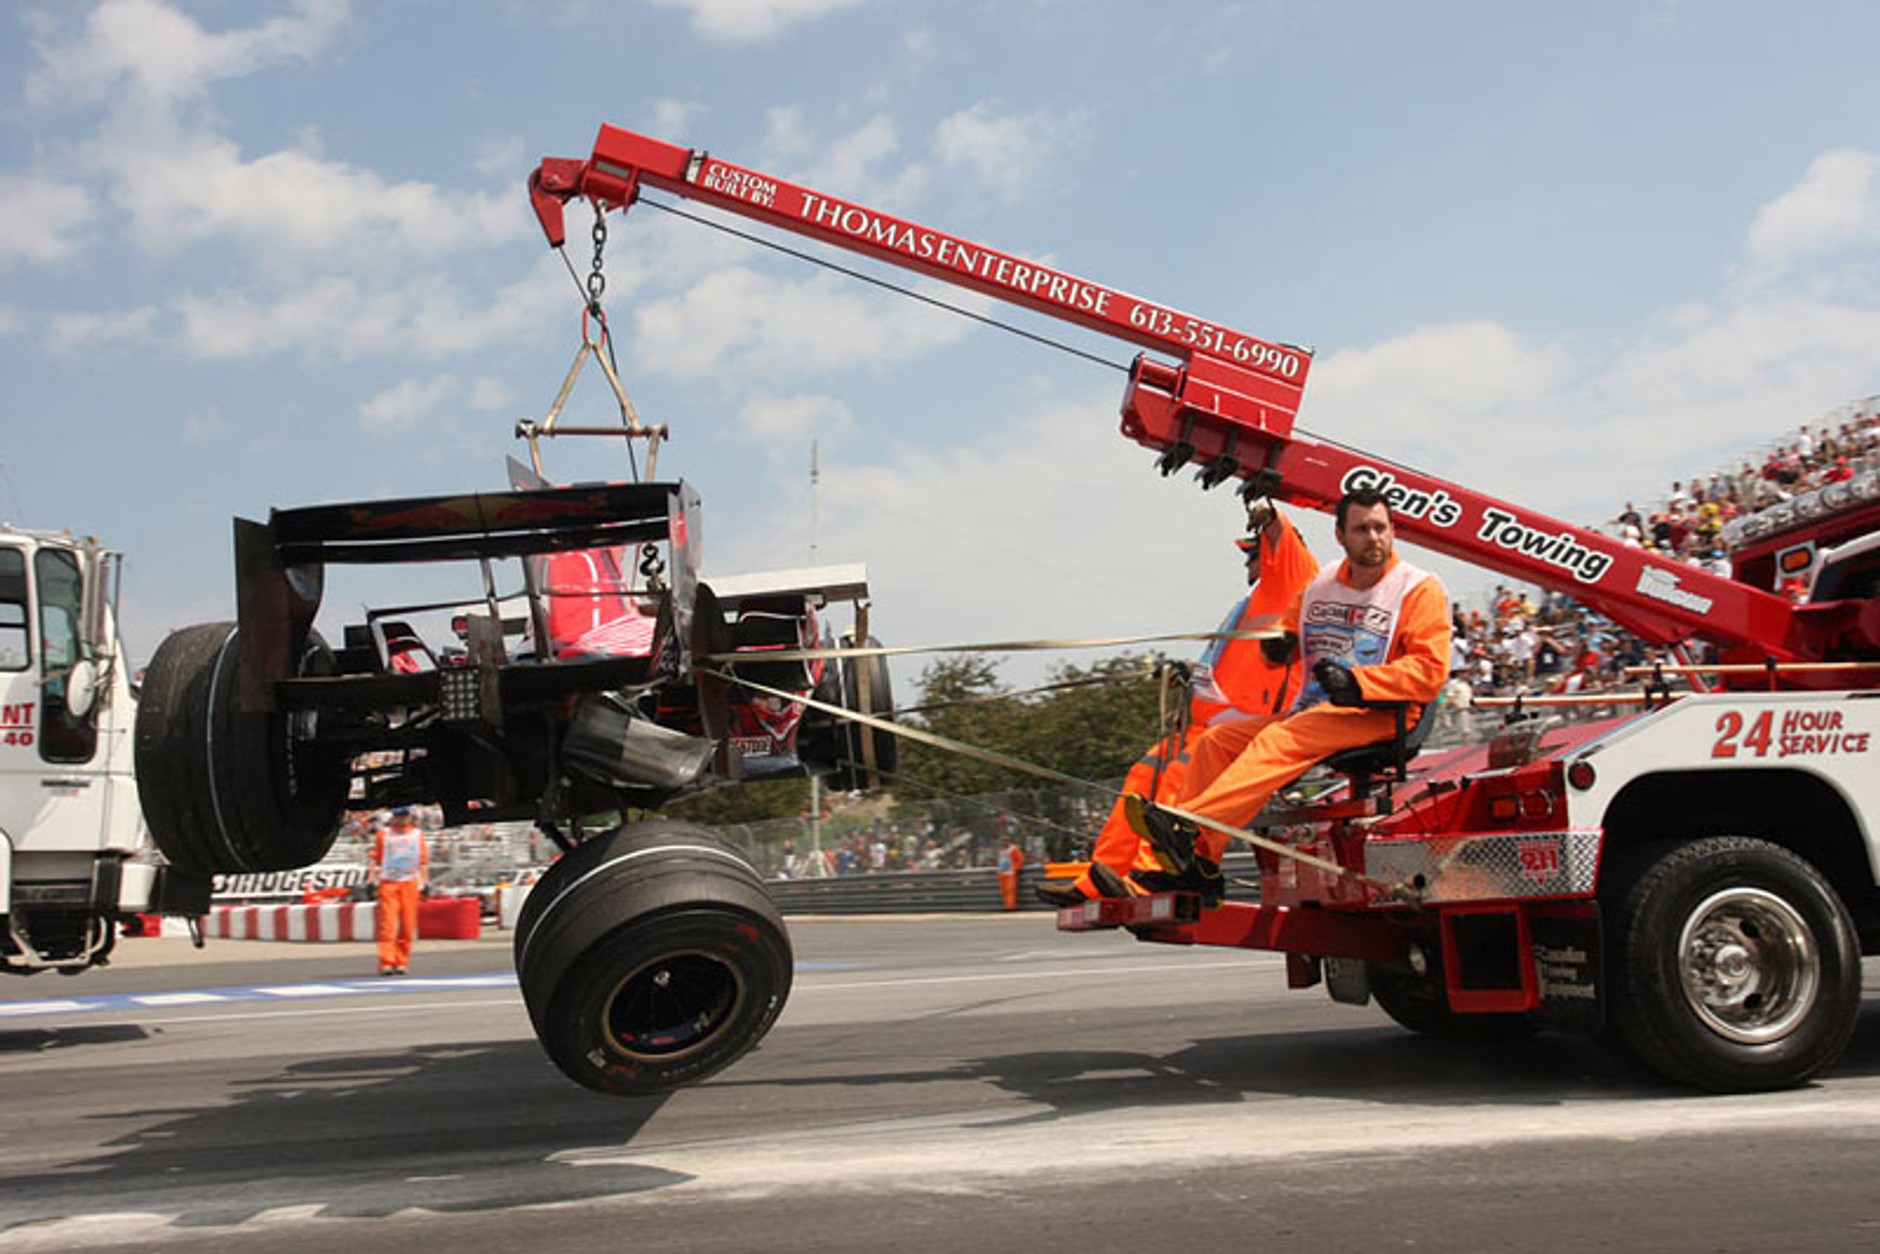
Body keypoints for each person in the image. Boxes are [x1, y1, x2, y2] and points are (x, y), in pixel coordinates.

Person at [1127, 487, 1451, 901]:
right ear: (1341, 535)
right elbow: (1289, 629)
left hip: (1384, 713)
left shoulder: (1418, 589)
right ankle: (1199, 866)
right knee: (1216, 742)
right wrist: (1278, 646)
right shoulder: (1322, 584)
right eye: (1362, 529)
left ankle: (1190, 826)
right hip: (1320, 709)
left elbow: (1429, 672)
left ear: (1393, 531)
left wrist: (1358, 683)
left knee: (1280, 739)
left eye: (1380, 528)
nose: (1373, 538)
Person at [1036, 499, 1319, 905]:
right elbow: (1222, 666)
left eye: (1254, 553)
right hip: (1209, 726)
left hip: (1248, 732)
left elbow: (1286, 541)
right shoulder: (1249, 606)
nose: (1247, 562)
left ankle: (1153, 873)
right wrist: (1188, 672)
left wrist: (1271, 517)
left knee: (1178, 775)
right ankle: (1103, 876)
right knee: (1145, 772)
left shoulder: (1294, 580)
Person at [370, 806, 429, 975]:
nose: (402, 819)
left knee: (408, 925)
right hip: (389, 883)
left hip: (410, 883)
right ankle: (386, 962)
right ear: (393, 817)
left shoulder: (417, 835)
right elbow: (376, 859)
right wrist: (371, 880)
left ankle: (402, 961)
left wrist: (425, 884)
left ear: (409, 817)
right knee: (387, 924)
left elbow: (423, 861)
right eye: (398, 816)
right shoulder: (384, 834)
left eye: (404, 816)